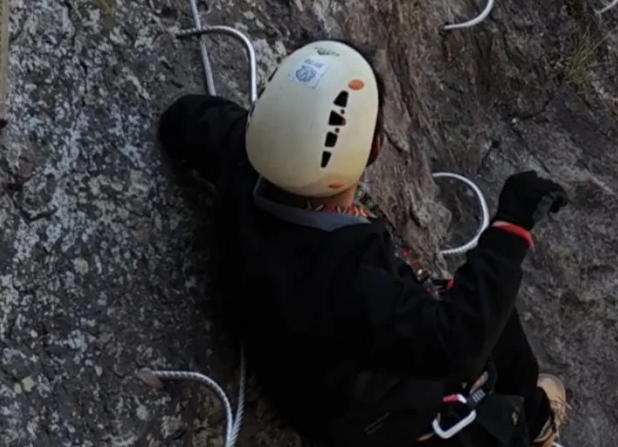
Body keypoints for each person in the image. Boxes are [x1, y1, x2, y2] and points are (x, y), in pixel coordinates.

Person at [159, 40, 570, 447]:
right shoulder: (351, 278)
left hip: (314, 372)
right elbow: (456, 343)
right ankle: (531, 426)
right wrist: (512, 226)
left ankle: (530, 405)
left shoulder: (242, 162)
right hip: (370, 418)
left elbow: (181, 118)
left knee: (492, 311)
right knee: (489, 363)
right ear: (373, 149)